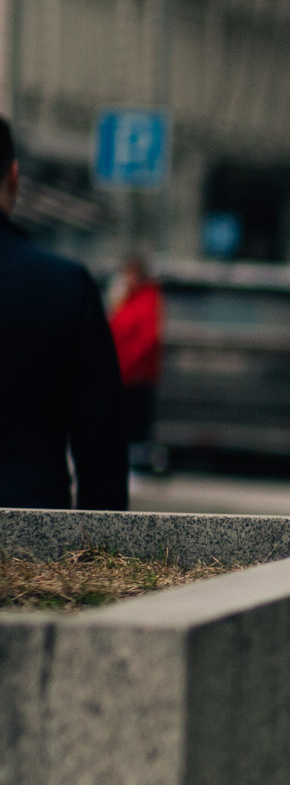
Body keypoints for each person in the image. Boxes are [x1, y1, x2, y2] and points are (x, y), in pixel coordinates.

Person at [0, 113, 127, 510]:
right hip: (33, 527)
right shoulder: (65, 286)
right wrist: (97, 556)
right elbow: (100, 439)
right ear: (14, 178)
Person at [110, 255, 165, 473]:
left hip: (136, 376)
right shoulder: (126, 300)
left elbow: (147, 339)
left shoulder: (147, 300)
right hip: (123, 374)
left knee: (135, 424)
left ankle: (137, 465)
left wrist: (128, 363)